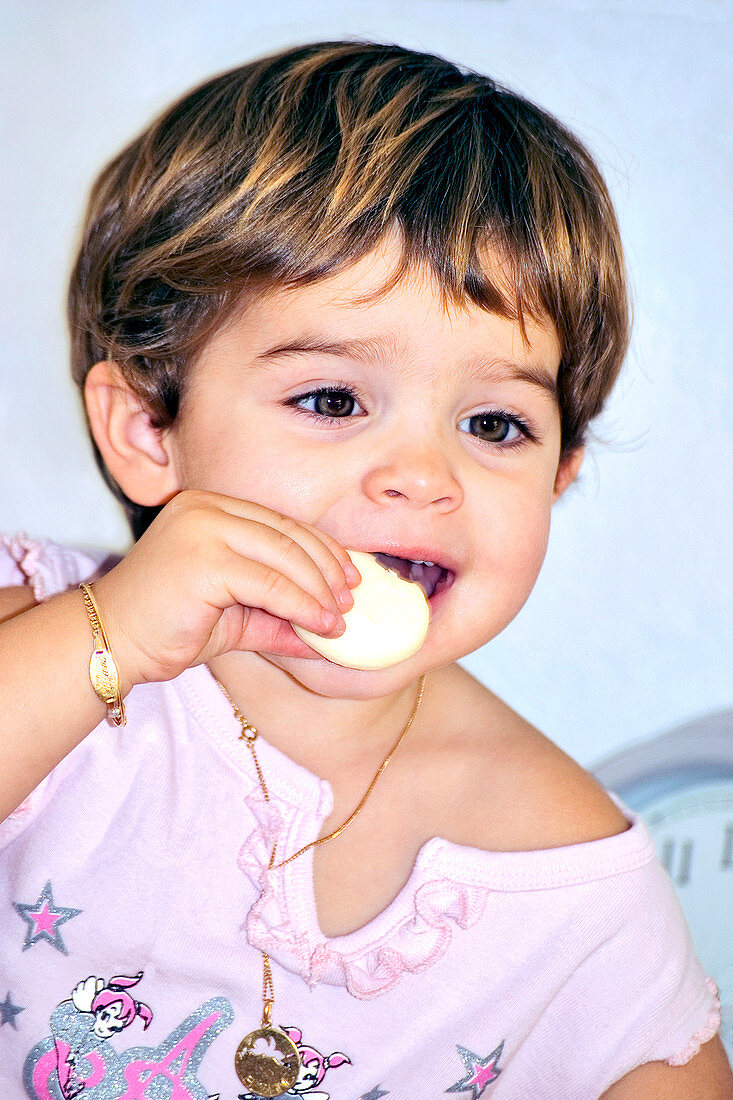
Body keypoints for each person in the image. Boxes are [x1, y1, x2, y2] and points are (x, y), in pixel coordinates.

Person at [0, 40, 730, 1100]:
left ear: (561, 475)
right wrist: (104, 641)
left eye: (494, 422)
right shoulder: (44, 637)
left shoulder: (572, 890)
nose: (421, 476)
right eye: (332, 400)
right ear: (149, 430)